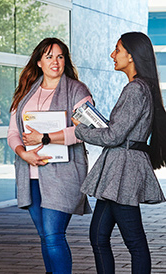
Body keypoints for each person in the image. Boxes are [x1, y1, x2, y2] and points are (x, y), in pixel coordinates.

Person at [73, 32, 166, 273]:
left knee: (134, 242)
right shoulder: (142, 88)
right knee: (98, 236)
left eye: (117, 49)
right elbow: (118, 131)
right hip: (118, 170)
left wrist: (80, 130)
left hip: (122, 172)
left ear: (132, 56)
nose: (112, 55)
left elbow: (114, 136)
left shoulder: (136, 89)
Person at [7, 37, 92, 274]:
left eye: (60, 56)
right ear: (39, 62)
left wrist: (44, 138)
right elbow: (13, 132)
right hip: (31, 174)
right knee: (45, 236)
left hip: (64, 175)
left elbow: (86, 131)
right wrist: (23, 154)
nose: (56, 61)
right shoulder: (26, 93)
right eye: (49, 56)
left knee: (54, 235)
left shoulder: (78, 90)